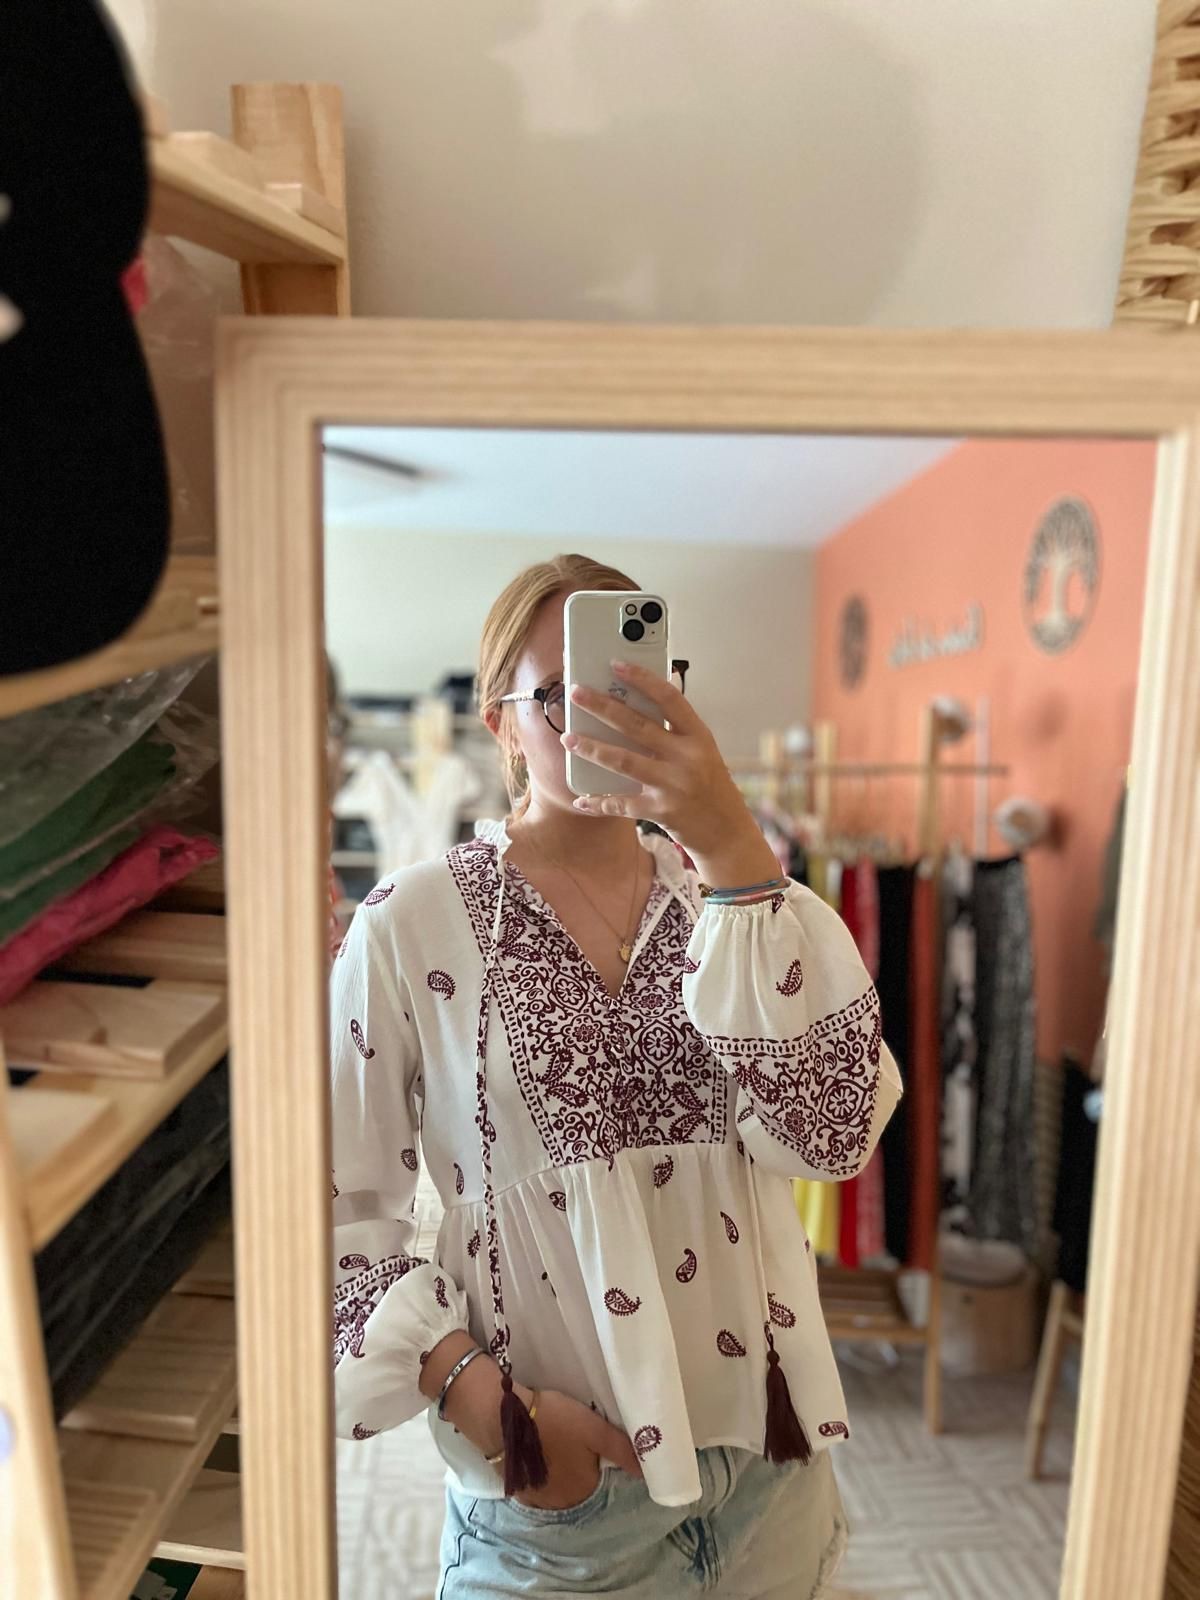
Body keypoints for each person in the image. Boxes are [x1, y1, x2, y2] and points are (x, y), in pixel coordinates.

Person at [331, 554, 902, 1598]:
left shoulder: (741, 903)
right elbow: (332, 1206)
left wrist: (734, 851)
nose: (601, 714)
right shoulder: (410, 922)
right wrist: (481, 1400)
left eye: (634, 682)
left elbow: (832, 1136)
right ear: (503, 724)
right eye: (559, 691)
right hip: (559, 1505)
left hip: (770, 1480)